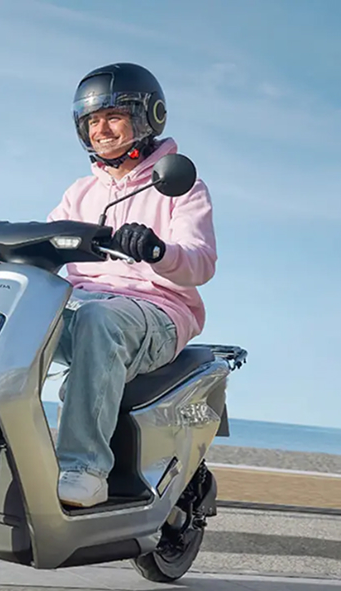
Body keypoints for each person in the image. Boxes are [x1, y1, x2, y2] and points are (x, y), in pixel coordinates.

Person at [44, 62, 216, 507]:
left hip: (156, 310)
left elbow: (201, 263)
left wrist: (157, 250)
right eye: (92, 121)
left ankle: (84, 468)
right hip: (84, 303)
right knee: (12, 315)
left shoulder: (181, 187)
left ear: (146, 118)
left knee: (98, 321)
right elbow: (48, 243)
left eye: (114, 116)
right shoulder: (79, 193)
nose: (101, 130)